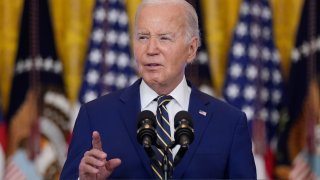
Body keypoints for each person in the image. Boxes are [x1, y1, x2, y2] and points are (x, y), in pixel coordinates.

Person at [60, 0, 256, 179]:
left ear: (191, 48)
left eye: (164, 38)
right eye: (143, 37)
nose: (151, 49)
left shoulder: (229, 123)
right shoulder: (95, 115)